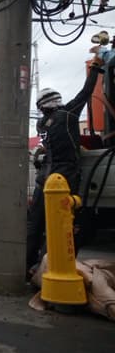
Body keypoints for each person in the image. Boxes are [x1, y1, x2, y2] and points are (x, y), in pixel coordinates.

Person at [26, 60, 102, 274]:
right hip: (65, 177)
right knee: (60, 226)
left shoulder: (41, 124)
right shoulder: (68, 115)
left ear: (42, 107)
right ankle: (47, 269)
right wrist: (96, 68)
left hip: (44, 179)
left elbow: (47, 147)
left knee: (35, 225)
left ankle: (27, 266)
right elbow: (86, 92)